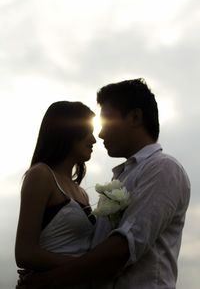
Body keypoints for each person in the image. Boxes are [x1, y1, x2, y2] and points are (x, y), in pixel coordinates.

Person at [17, 78, 190, 289]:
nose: (99, 135)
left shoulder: (163, 168)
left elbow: (122, 248)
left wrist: (49, 280)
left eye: (106, 121)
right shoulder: (121, 178)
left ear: (135, 117)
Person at [15, 101, 96, 289]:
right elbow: (25, 253)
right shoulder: (41, 175)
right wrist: (88, 266)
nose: (93, 140)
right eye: (88, 132)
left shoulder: (82, 192)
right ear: (67, 132)